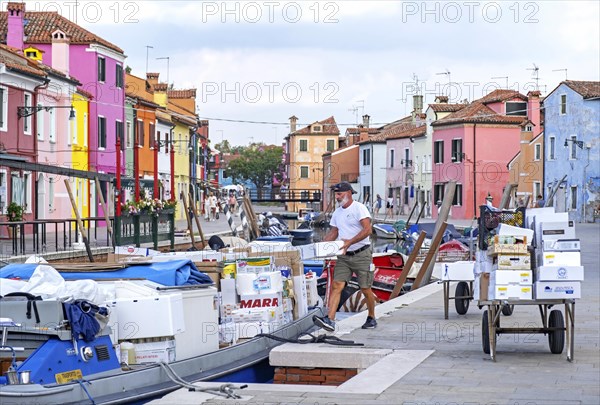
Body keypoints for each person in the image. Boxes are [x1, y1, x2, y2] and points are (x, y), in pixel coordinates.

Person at [313, 181, 377, 332]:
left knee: (365, 288)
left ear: (349, 193)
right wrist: (321, 247)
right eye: (336, 194)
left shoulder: (359, 208)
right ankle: (330, 319)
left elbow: (368, 230)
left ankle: (372, 317)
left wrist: (350, 242)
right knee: (337, 286)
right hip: (343, 256)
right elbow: (334, 233)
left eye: (339, 194)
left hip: (361, 254)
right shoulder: (337, 213)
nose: (337, 197)